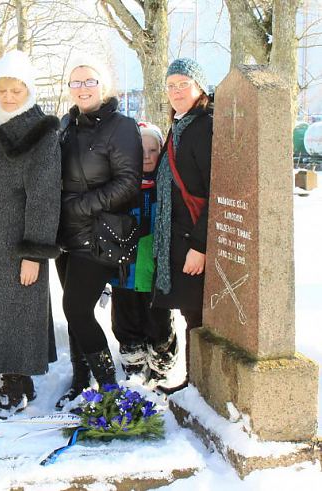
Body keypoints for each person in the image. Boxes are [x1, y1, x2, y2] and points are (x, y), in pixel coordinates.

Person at [0, 50, 61, 419]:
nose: (8, 96)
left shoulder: (41, 130)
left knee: (20, 308)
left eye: (16, 89)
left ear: (30, 89)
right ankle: (15, 376)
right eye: (2, 89)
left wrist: (34, 253)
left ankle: (16, 380)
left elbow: (44, 195)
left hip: (19, 238)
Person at [55, 56, 142, 409]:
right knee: (73, 309)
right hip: (64, 236)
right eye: (76, 83)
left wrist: (80, 206)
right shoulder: (65, 124)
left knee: (76, 309)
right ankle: (80, 378)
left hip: (98, 234)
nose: (83, 88)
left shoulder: (121, 126)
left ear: (103, 86)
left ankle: (108, 387)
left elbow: (129, 183)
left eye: (89, 81)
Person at [152, 58, 213, 394]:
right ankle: (194, 383)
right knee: (190, 315)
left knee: (197, 317)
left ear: (199, 88)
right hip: (178, 236)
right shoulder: (180, 125)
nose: (176, 91)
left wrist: (200, 246)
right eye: (171, 85)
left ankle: (198, 386)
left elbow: (214, 190)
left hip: (193, 238)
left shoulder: (203, 127)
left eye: (183, 84)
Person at [109, 122, 175, 384]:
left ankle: (160, 366)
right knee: (126, 320)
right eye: (141, 150)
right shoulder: (122, 184)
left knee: (158, 322)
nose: (147, 156)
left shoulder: (167, 185)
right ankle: (133, 365)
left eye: (153, 150)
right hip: (125, 269)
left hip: (156, 269)